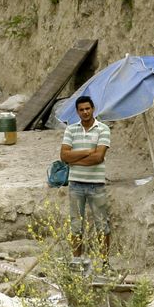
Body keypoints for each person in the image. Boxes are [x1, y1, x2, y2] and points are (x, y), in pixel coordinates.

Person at [59, 95, 111, 259]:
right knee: (75, 226)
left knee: (102, 226)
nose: (85, 112)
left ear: (93, 109)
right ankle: (76, 262)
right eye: (81, 110)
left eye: (88, 108)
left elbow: (99, 157)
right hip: (76, 185)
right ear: (77, 112)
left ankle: (104, 262)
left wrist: (75, 159)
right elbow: (64, 156)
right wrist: (88, 151)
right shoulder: (71, 129)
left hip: (96, 185)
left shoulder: (103, 129)